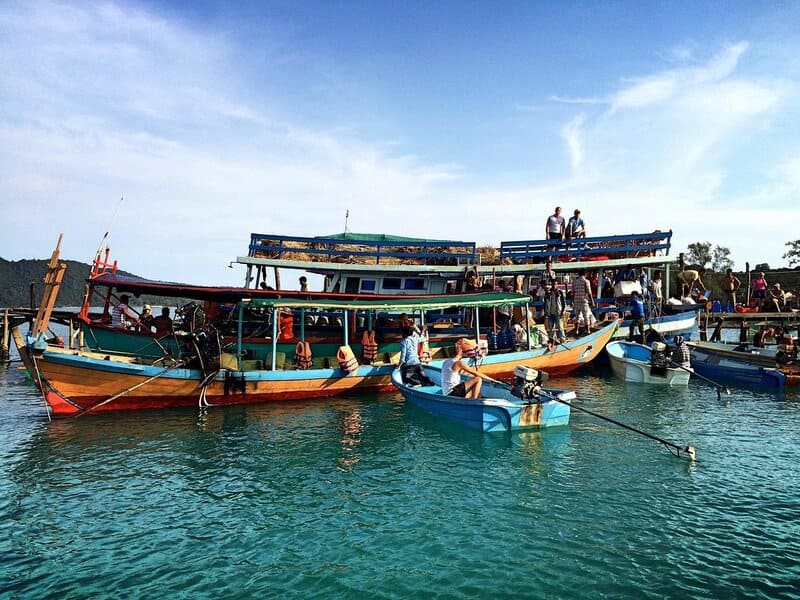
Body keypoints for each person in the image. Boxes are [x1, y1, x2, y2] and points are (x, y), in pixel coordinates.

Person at [571, 270, 594, 336]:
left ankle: (577, 331)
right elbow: (589, 292)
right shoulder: (586, 281)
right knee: (586, 316)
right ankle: (588, 331)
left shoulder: (574, 282)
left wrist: (571, 301)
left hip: (576, 301)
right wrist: (592, 301)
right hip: (584, 301)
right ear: (585, 274)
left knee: (577, 316)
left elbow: (572, 293)